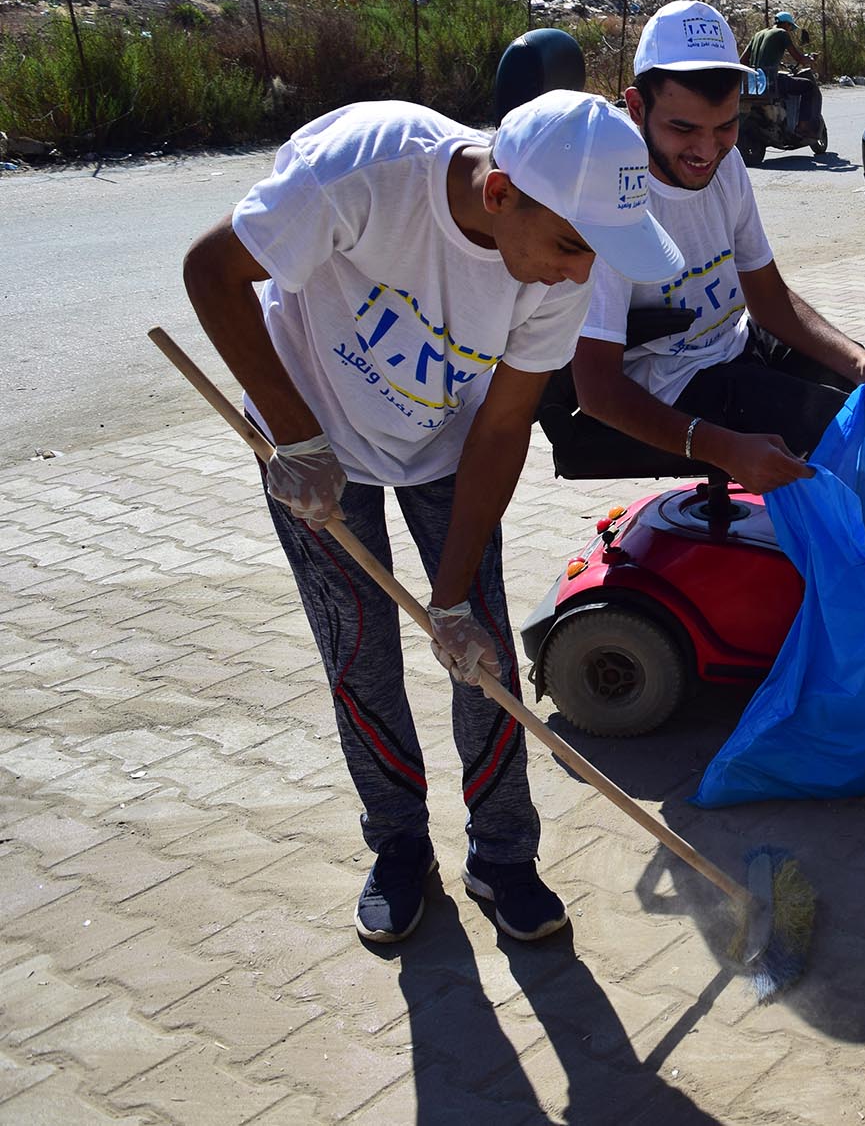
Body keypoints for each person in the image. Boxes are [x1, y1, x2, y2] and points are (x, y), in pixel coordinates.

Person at [182, 90, 680, 943]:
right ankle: (400, 847)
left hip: (447, 443)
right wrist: (296, 440)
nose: (579, 274)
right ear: (499, 195)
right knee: (359, 644)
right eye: (569, 246)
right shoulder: (366, 171)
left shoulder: (559, 266)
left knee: (479, 647)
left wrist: (451, 597)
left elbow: (502, 424)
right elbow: (210, 271)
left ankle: (503, 856)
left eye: (595, 255)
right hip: (311, 430)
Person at [572, 0, 865, 650]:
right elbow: (595, 388)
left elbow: (769, 298)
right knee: (842, 438)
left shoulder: (727, 169)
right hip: (674, 382)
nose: (705, 150)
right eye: (683, 129)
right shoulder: (615, 203)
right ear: (636, 107)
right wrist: (725, 447)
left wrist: (857, 359)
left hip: (734, 344)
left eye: (725, 127)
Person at [744, 9, 823, 139]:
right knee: (809, 87)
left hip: (755, 83)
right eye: (790, 27)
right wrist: (811, 59)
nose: (790, 30)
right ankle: (803, 127)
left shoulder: (758, 34)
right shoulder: (782, 33)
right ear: (786, 24)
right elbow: (800, 59)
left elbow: (743, 60)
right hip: (771, 81)